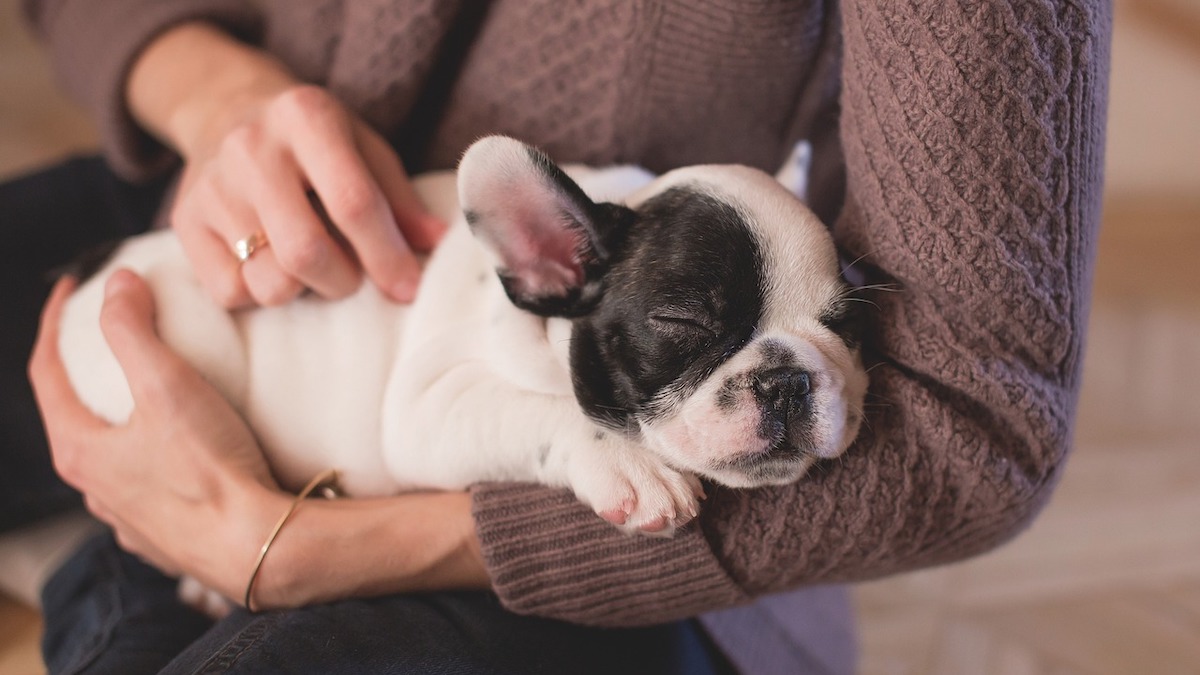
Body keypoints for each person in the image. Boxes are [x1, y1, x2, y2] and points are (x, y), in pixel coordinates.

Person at [5, 1, 1111, 673]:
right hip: (212, 246)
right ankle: (123, 571)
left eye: (833, 330)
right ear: (544, 263)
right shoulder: (565, 262)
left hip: (532, 556)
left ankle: (108, 586)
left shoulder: (659, 273)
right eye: (692, 336)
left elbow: (977, 425)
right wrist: (217, 95)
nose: (781, 383)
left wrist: (295, 553)